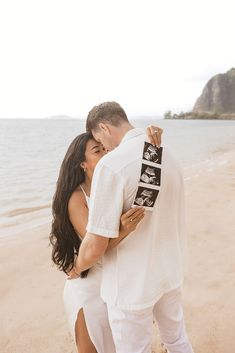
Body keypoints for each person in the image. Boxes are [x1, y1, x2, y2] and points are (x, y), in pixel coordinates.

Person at [72, 102, 194, 353]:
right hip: (169, 271)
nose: (104, 148)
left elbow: (95, 245)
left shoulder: (111, 165)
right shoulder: (166, 152)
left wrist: (77, 267)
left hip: (131, 284)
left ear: (103, 128)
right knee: (177, 341)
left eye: (99, 140)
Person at [50, 125, 163, 353]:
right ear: (82, 164)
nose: (106, 153)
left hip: (116, 280)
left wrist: (151, 142)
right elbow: (95, 248)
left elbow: (145, 174)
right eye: (97, 151)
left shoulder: (112, 183)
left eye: (105, 148)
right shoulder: (76, 197)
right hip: (87, 283)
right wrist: (124, 230)